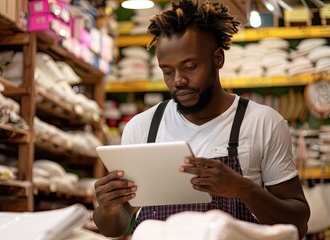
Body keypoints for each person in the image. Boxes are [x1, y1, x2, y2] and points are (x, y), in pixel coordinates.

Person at [93, 0, 310, 239]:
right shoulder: (142, 128)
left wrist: (244, 189)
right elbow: (116, 226)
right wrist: (108, 208)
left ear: (218, 59)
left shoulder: (262, 122)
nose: (178, 80)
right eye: (167, 71)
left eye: (189, 67)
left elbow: (298, 223)